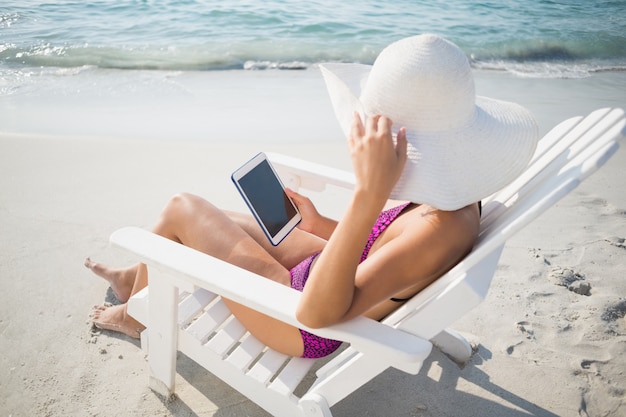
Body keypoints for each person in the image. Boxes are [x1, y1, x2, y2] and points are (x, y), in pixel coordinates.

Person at [87, 34, 538, 359]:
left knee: (183, 208)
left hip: (299, 318)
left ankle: (136, 312)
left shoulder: (440, 231)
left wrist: (368, 194)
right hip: (333, 271)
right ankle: (136, 280)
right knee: (226, 219)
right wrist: (320, 223)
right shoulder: (453, 200)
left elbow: (319, 312)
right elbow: (385, 251)